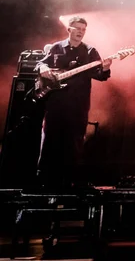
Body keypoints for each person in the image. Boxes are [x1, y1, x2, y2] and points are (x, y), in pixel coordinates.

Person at [35, 16, 112, 190]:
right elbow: (41, 63)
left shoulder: (90, 52)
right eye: (77, 28)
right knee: (49, 141)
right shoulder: (56, 48)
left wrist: (105, 67)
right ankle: (44, 183)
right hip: (55, 104)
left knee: (74, 144)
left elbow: (100, 75)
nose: (80, 32)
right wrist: (43, 68)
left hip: (78, 105)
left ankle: (70, 185)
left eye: (83, 30)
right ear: (69, 29)